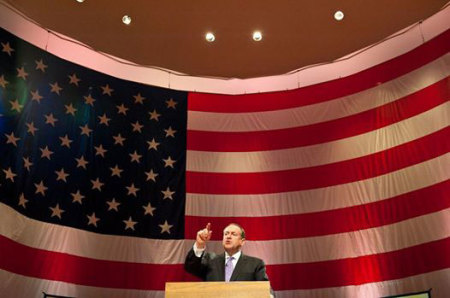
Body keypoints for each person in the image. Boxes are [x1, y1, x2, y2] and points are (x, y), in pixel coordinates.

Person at [184, 222, 274, 295]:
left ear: (242, 242)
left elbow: (266, 289)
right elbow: (191, 267)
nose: (228, 236)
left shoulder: (255, 264)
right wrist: (200, 244)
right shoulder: (210, 261)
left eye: (233, 234)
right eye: (226, 234)